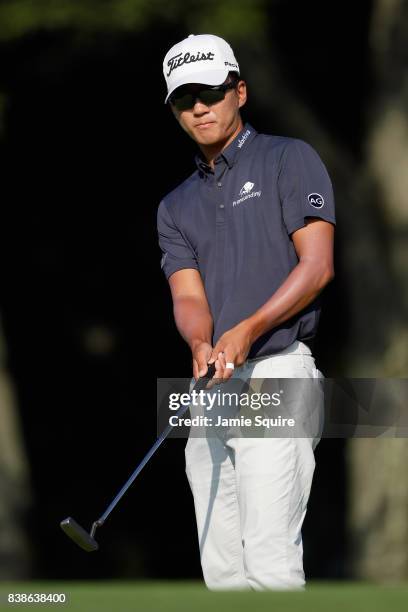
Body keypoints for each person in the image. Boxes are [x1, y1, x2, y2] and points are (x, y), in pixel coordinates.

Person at [157, 33, 336, 591]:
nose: (200, 108)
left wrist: (249, 329)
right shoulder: (175, 204)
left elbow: (317, 266)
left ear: (240, 90)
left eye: (210, 92)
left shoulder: (288, 157)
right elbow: (188, 296)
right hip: (212, 384)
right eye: (185, 99)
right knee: (222, 571)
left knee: (267, 561)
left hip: (278, 369)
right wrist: (200, 344)